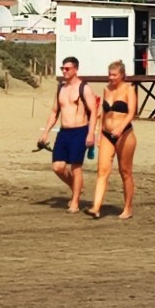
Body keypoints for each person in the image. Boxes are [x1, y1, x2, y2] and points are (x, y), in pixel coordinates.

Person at [39, 56, 97, 215]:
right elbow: (54, 112)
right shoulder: (61, 89)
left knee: (76, 167)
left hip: (80, 131)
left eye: (67, 69)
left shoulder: (84, 88)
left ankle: (75, 202)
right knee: (58, 167)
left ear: (75, 69)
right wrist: (45, 133)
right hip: (64, 132)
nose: (64, 71)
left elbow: (94, 112)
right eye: (62, 69)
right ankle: (76, 187)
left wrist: (91, 134)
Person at [86, 60, 137, 220]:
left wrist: (120, 128)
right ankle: (96, 206)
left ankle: (127, 208)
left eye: (114, 75)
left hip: (125, 134)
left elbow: (131, 113)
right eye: (109, 74)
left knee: (125, 172)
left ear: (122, 75)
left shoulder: (129, 89)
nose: (111, 77)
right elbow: (103, 113)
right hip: (107, 134)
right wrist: (99, 133)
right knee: (102, 171)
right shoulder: (106, 89)